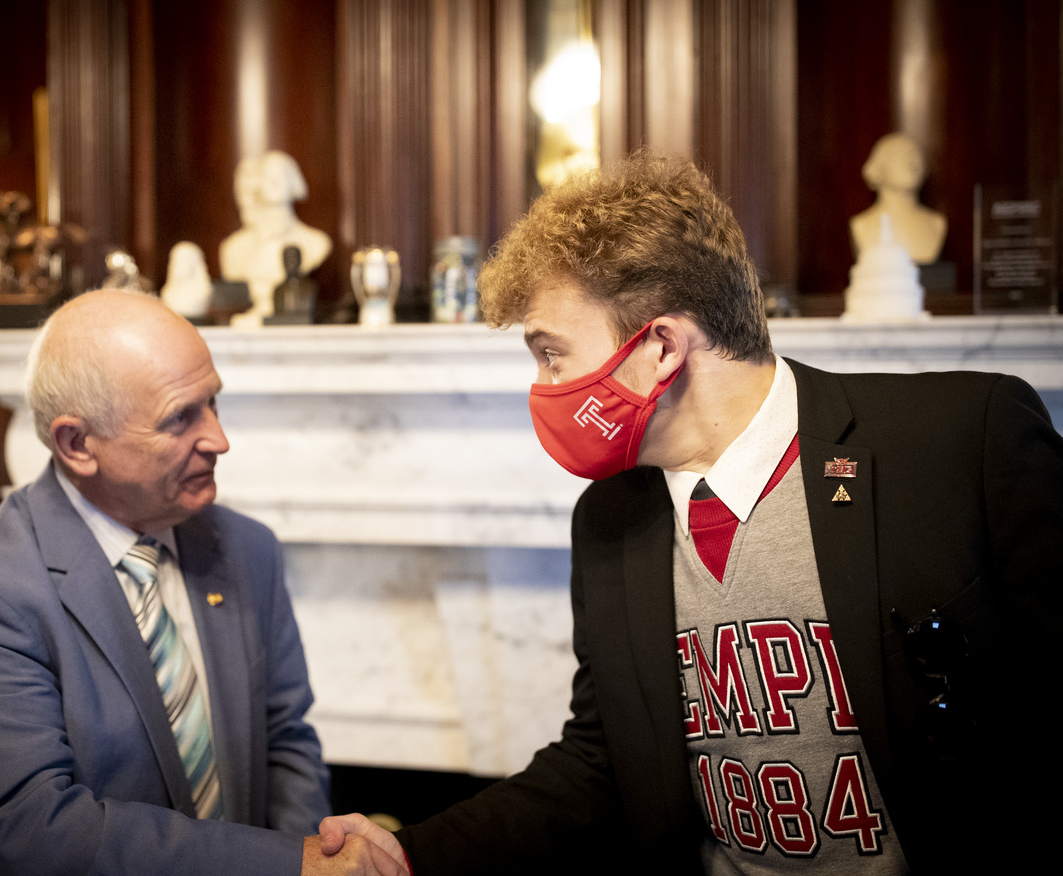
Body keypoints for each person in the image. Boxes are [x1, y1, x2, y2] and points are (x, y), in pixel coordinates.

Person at [322, 149, 1062, 872]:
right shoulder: (607, 521)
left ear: (660, 349)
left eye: (551, 354)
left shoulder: (965, 439)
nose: (543, 386)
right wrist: (409, 853)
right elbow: (602, 760)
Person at [0, 289, 406, 876]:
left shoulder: (247, 549)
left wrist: (313, 855)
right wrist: (284, 865)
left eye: (213, 403)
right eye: (179, 418)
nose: (219, 439)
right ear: (77, 444)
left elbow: (285, 741)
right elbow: (25, 833)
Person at [220, 150, 332, 325]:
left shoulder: (316, 243)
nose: (274, 182)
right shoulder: (234, 249)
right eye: (266, 175)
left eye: (280, 175)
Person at [849, 132, 947, 264]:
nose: (911, 160)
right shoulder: (861, 225)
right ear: (878, 166)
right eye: (898, 153)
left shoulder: (937, 223)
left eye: (914, 153)